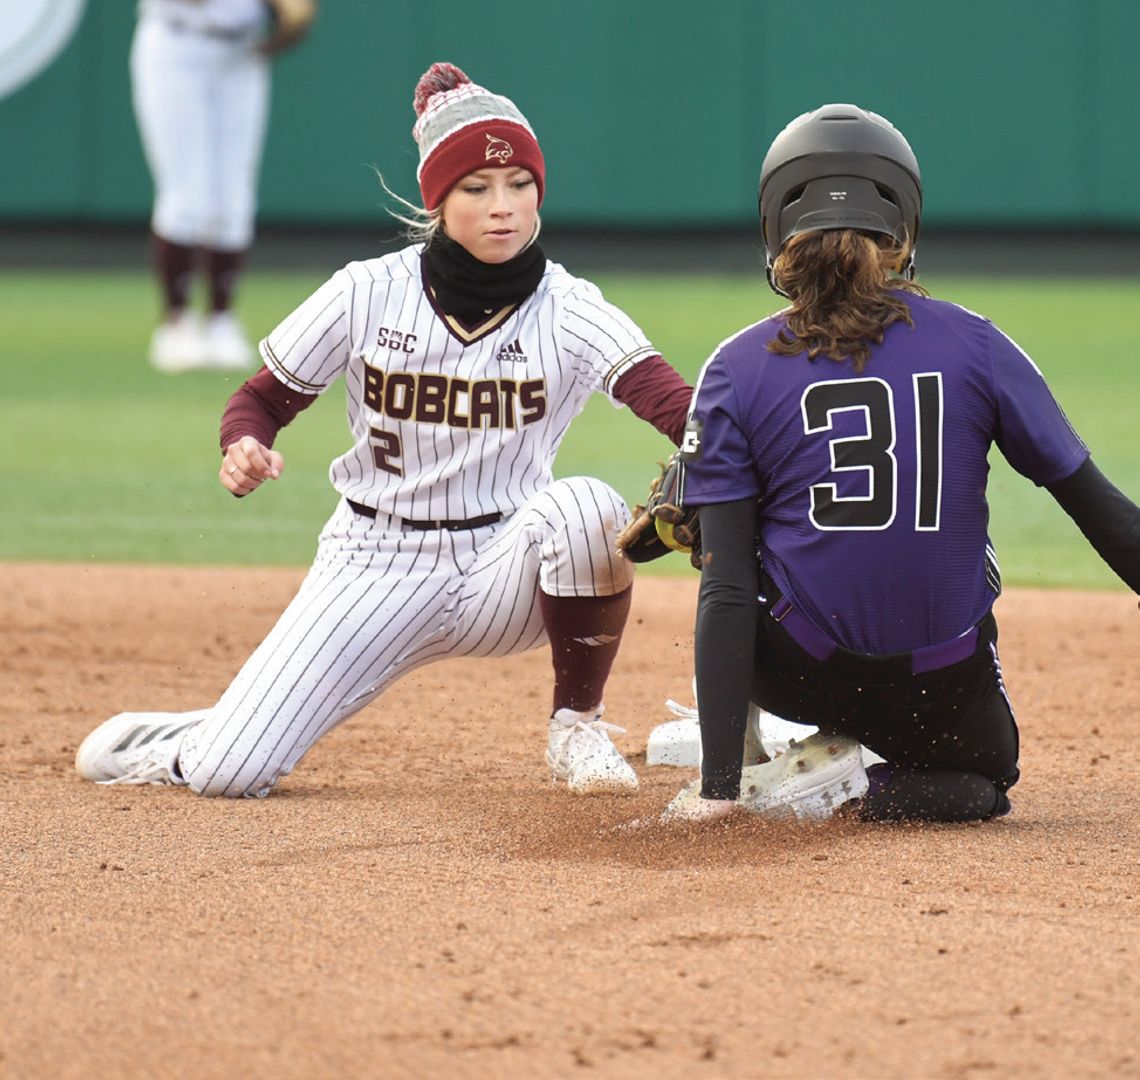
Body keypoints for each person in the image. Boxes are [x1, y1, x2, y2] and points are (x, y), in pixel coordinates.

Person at [75, 62, 694, 798]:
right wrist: (245, 443)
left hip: (504, 564)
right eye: (477, 189)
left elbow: (675, 404)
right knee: (228, 775)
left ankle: (578, 728)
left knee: (587, 507)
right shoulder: (368, 291)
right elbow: (261, 399)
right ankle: (193, 736)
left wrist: (733, 445)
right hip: (374, 560)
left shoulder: (572, 307)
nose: (504, 207)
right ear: (438, 199)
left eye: (520, 185)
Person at [658, 102, 1140, 824]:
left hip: (801, 673)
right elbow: (1104, 516)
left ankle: (744, 770)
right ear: (904, 229)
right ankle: (854, 790)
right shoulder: (978, 343)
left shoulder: (734, 366)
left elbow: (727, 591)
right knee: (983, 783)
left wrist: (715, 796)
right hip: (940, 696)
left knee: (721, 537)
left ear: (777, 229)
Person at [111, 0, 314, 373]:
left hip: (240, 49)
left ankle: (221, 319)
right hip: (174, 40)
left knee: (232, 193)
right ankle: (175, 325)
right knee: (186, 190)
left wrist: (287, 2)